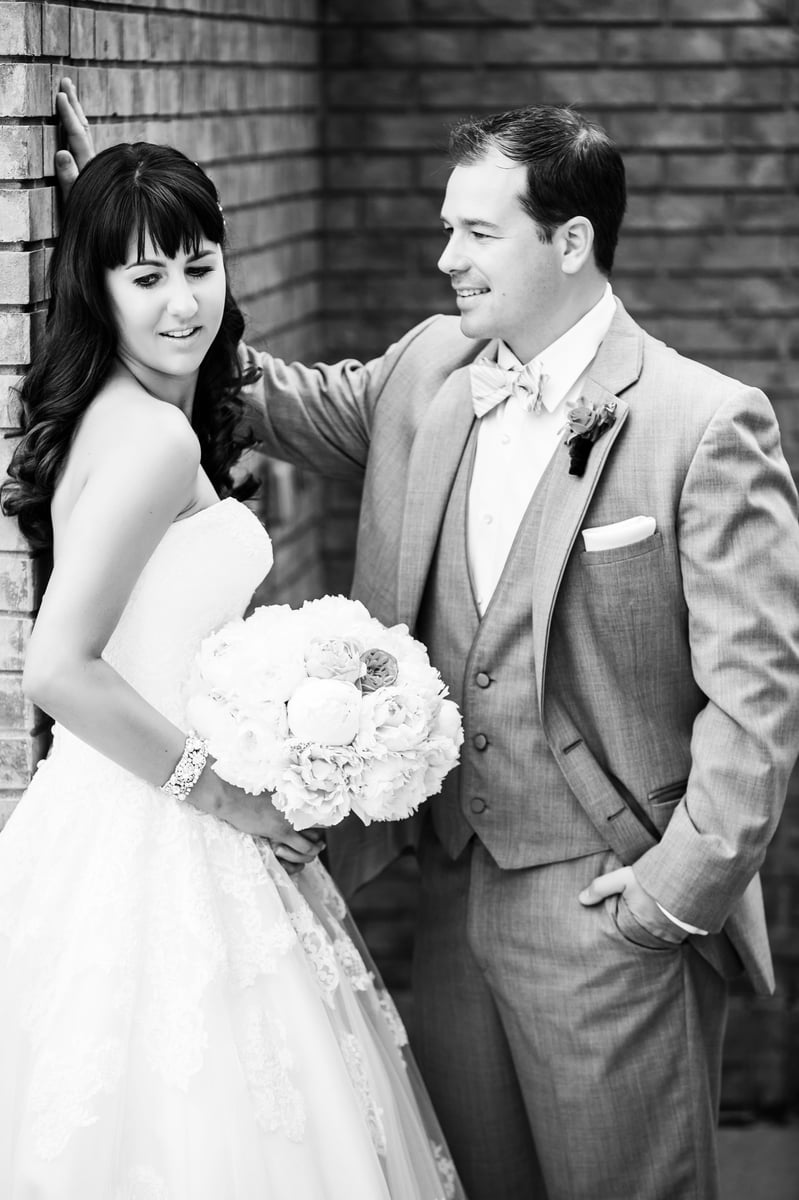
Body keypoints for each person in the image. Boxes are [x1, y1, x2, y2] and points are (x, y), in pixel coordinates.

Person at [56, 85, 799, 1200]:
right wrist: (111, 231)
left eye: (476, 232)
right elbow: (241, 380)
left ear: (569, 241)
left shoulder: (704, 422)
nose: (445, 255)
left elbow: (759, 700)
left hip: (610, 903)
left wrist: (669, 892)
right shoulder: (427, 368)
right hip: (448, 894)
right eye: (448, 227)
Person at [0, 140, 464, 1200]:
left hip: (114, 808)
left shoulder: (126, 411)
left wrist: (111, 190)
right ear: (94, 288)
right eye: (145, 277)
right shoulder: (155, 441)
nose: (183, 303)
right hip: (158, 823)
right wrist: (227, 795)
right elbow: (59, 669)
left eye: (199, 265)